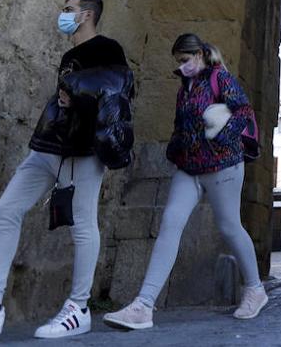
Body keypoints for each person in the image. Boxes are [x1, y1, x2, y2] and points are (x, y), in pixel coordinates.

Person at [0, 0, 134, 340]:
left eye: (67, 10)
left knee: (83, 225)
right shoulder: (70, 54)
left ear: (86, 15)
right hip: (49, 145)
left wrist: (78, 91)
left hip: (82, 153)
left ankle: (78, 307)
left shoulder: (107, 48)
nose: (62, 15)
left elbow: (119, 91)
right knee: (7, 208)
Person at [103, 33, 268, 330]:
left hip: (223, 164)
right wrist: (174, 151)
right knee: (170, 223)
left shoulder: (221, 79)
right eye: (178, 62)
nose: (181, 67)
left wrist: (221, 139)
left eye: (184, 60)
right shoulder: (185, 89)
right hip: (188, 167)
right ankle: (143, 304)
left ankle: (255, 289)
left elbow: (243, 111)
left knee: (230, 226)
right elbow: (180, 126)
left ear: (201, 55)